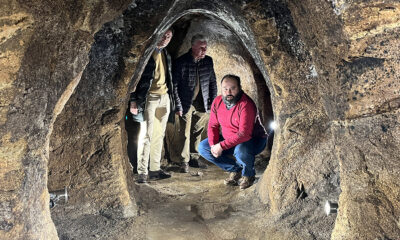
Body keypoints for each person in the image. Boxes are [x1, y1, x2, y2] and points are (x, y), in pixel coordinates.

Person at [198, 74, 268, 189]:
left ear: (239, 88)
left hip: (253, 140)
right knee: (203, 148)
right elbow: (213, 125)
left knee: (241, 150)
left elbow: (244, 134)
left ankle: (248, 174)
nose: (228, 92)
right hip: (230, 138)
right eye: (225, 89)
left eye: (233, 88)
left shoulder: (246, 104)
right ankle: (236, 169)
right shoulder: (218, 101)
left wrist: (221, 146)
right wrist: (213, 145)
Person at [129, 29, 177, 183]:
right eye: (163, 35)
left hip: (164, 97)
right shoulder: (147, 53)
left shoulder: (166, 54)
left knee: (159, 135)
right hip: (149, 97)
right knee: (146, 136)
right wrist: (133, 99)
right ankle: (142, 172)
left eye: (168, 37)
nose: (165, 39)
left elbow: (170, 79)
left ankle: (155, 169)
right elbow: (133, 77)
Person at [173, 34, 218, 173]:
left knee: (197, 131)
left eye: (205, 48)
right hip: (186, 103)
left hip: (202, 103)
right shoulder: (181, 62)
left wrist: (212, 102)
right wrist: (178, 105)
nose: (204, 50)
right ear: (193, 47)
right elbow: (174, 85)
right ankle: (183, 161)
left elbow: (212, 82)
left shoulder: (208, 61)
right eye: (201, 48)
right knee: (184, 134)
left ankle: (194, 157)